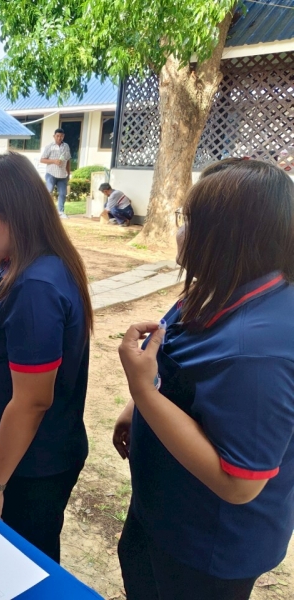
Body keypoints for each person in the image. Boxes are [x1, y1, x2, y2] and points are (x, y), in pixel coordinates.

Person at [113, 159, 294, 600]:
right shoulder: (218, 287)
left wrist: (144, 394)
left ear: (228, 236)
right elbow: (172, 361)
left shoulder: (257, 352)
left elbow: (240, 483)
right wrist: (136, 408)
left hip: (205, 549)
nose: (180, 231)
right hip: (164, 509)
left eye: (189, 220)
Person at [0, 152, 93, 562]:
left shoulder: (35, 286)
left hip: (34, 464)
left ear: (14, 215)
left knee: (26, 560)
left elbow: (32, 401)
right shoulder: (17, 264)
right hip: (22, 455)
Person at [40, 129, 72, 218]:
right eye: (57, 136)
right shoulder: (49, 147)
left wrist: (68, 173)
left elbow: (68, 160)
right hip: (51, 174)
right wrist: (54, 161)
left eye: (61, 136)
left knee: (62, 194)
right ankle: (45, 211)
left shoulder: (66, 146)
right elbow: (42, 160)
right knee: (48, 192)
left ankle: (60, 212)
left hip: (62, 175)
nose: (59, 138)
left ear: (63, 136)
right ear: (54, 136)